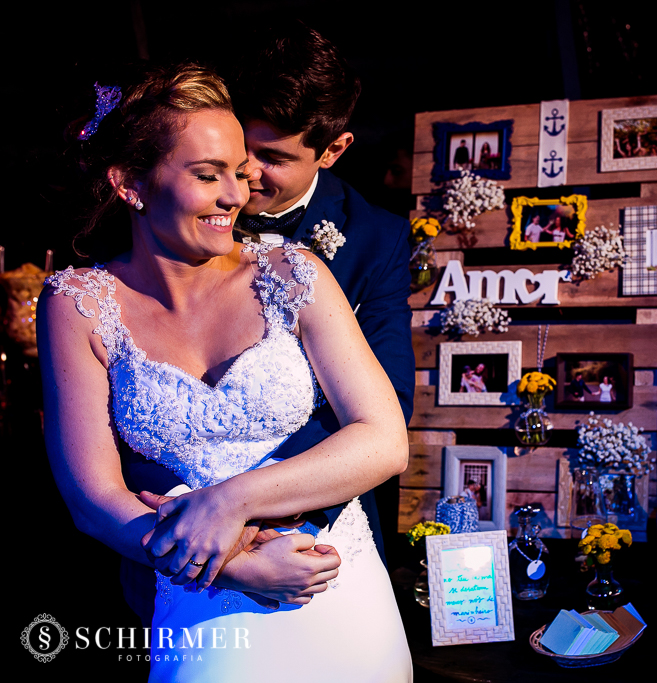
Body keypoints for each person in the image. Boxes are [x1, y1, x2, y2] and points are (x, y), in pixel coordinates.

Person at [40, 64, 412, 681]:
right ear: (131, 183)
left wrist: (228, 503)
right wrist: (231, 562)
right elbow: (92, 497)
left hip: (326, 577)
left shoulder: (292, 274)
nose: (237, 195)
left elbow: (384, 437)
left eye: (239, 173)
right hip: (194, 598)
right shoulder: (77, 303)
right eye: (208, 175)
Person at [123, 24, 414, 613]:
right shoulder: (151, 216)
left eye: (274, 157)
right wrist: (194, 518)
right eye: (240, 148)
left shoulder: (374, 239)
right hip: (162, 537)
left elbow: (386, 411)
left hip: (313, 543)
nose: (246, 174)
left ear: (333, 151)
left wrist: (253, 510)